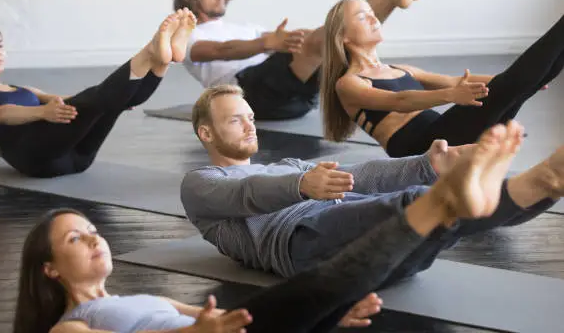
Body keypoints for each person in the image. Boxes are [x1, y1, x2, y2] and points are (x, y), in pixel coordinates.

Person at [14, 125, 524, 333]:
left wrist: (423, 163)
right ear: (50, 270)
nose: (95, 236)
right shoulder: (73, 324)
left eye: (91, 229)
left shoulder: (145, 299)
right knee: (400, 224)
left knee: (435, 230)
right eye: (75, 238)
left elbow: (237, 318)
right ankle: (452, 196)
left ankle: (540, 182)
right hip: (298, 236)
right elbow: (249, 195)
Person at [181, 84, 563, 284]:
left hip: (376, 251)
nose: (250, 124)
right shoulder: (200, 184)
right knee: (419, 205)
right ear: (207, 133)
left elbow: (359, 177)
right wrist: (302, 185)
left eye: (249, 116)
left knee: (446, 209)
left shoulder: (288, 165)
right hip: (303, 242)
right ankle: (545, 179)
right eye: (235, 120)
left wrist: (427, 164)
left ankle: (549, 187)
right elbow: (245, 194)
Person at [174, 0, 433, 120]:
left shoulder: (245, 27)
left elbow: (288, 45)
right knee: (320, 40)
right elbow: (220, 50)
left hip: (296, 100)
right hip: (248, 94)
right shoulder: (189, 32)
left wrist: (288, 40)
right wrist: (269, 44)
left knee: (334, 39)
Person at [0, 9, 196, 178]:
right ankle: (150, 52)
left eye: (1, 46)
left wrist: (117, 98)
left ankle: (161, 61)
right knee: (97, 98)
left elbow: (72, 101)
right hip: (37, 160)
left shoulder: (22, 90)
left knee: (105, 102)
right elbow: (2, 114)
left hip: (78, 158)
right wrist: (42, 112)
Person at [319, 0, 563, 157]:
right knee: (517, 82)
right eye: (362, 17)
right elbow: (399, 101)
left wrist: (507, 80)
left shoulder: (402, 69)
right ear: (343, 38)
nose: (374, 18)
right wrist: (451, 95)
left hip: (445, 132)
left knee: (523, 83)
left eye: (372, 12)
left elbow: (455, 82)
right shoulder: (348, 83)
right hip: (422, 147)